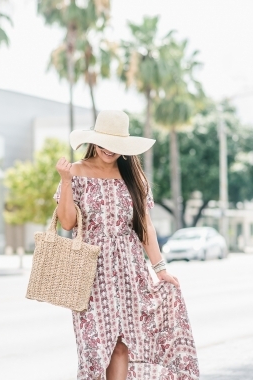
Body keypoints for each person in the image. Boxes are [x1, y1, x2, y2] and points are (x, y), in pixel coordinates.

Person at [53, 110, 199, 380]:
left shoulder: (135, 179)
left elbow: (146, 228)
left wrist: (160, 269)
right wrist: (65, 180)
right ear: (94, 142)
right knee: (94, 349)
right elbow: (67, 223)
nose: (110, 149)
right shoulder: (76, 171)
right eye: (105, 142)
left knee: (122, 345)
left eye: (117, 144)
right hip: (90, 271)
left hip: (129, 269)